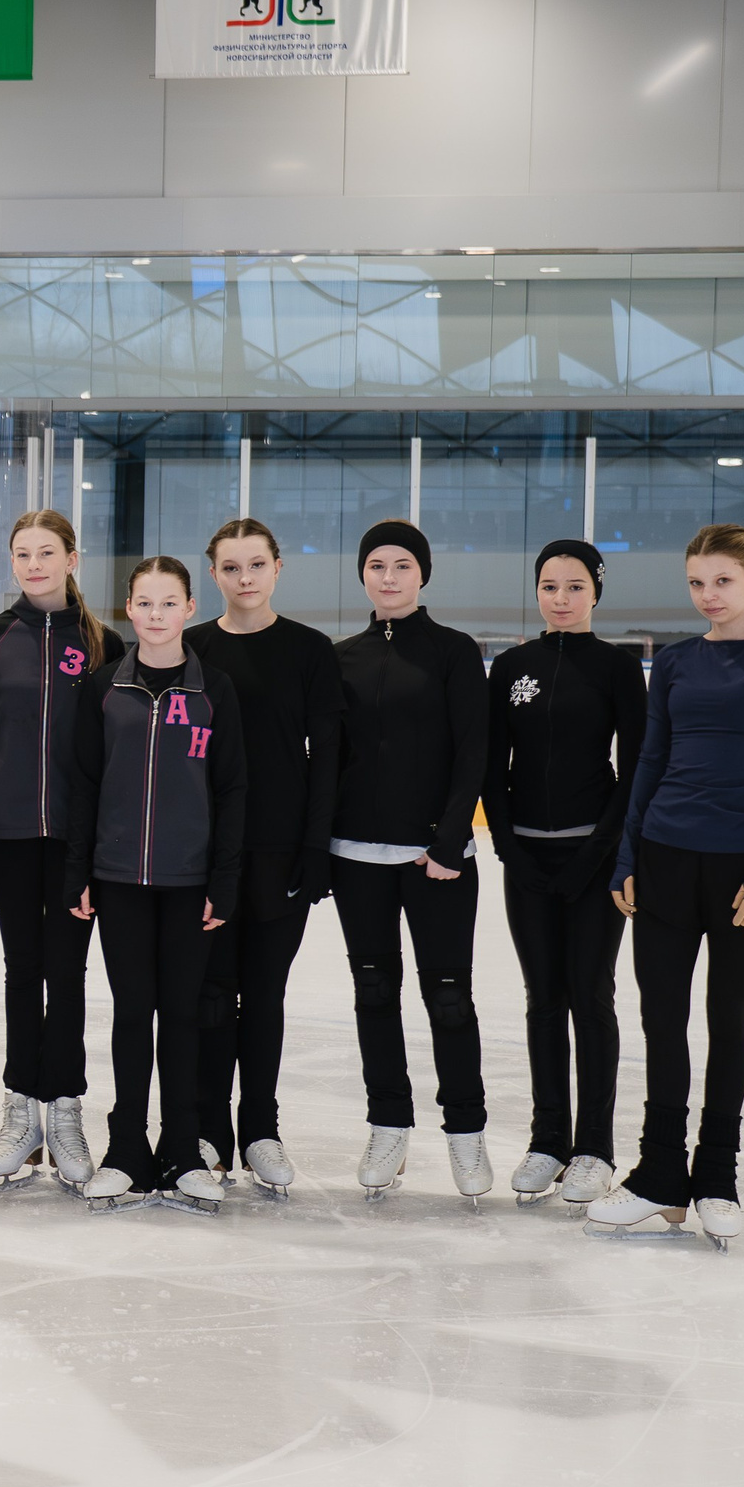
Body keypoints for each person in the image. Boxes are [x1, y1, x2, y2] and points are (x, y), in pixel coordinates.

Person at [591, 524, 744, 1250]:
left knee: (729, 1019)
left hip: (739, 870)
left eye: (721, 580)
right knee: (662, 1019)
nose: (707, 595)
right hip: (661, 856)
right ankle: (661, 1175)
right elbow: (649, 764)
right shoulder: (680, 663)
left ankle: (716, 1175)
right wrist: (627, 858)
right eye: (696, 582)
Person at [64, 557, 248, 1213]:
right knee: (131, 1015)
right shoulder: (103, 689)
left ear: (189, 607)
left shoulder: (213, 691)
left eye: (169, 603)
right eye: (145, 603)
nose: (157, 614)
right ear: (130, 609)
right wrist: (78, 871)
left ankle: (181, 1147)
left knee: (184, 1017)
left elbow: (231, 792)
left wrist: (222, 882)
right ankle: (126, 1151)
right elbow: (82, 785)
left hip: (189, 881)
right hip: (119, 881)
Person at [330, 519, 494, 1203]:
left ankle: (466, 1133)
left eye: (401, 565)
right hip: (356, 857)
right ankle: (389, 1124)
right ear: (363, 575)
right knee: (374, 994)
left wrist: (450, 840)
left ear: (421, 574)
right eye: (376, 565)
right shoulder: (341, 657)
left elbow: (473, 750)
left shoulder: (454, 652)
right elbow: (330, 762)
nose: (388, 577)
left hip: (437, 859)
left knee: (449, 998)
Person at [483, 540, 646, 1208]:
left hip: (593, 861)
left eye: (574, 586)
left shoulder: (615, 667)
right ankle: (548, 1138)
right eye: (549, 585)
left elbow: (634, 770)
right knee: (541, 996)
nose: (560, 597)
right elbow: (492, 766)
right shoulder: (513, 667)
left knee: (589, 993)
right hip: (525, 858)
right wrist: (508, 849)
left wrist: (595, 856)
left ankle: (593, 1148)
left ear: (596, 592)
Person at [184, 519, 343, 1199]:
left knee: (264, 995)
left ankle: (261, 1129)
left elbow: (327, 757)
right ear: (213, 574)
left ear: (278, 568)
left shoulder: (309, 650)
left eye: (255, 565)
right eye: (230, 567)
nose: (244, 578)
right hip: (205, 856)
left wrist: (315, 849)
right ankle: (211, 1130)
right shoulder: (190, 647)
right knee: (213, 995)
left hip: (281, 851)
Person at [0, 509, 118, 1194]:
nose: (33, 564)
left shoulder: (106, 643)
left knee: (71, 972)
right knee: (23, 970)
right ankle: (21, 1109)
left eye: (46, 552)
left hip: (78, 842)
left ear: (71, 558)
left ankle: (65, 1112)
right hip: (8, 835)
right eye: (22, 553)